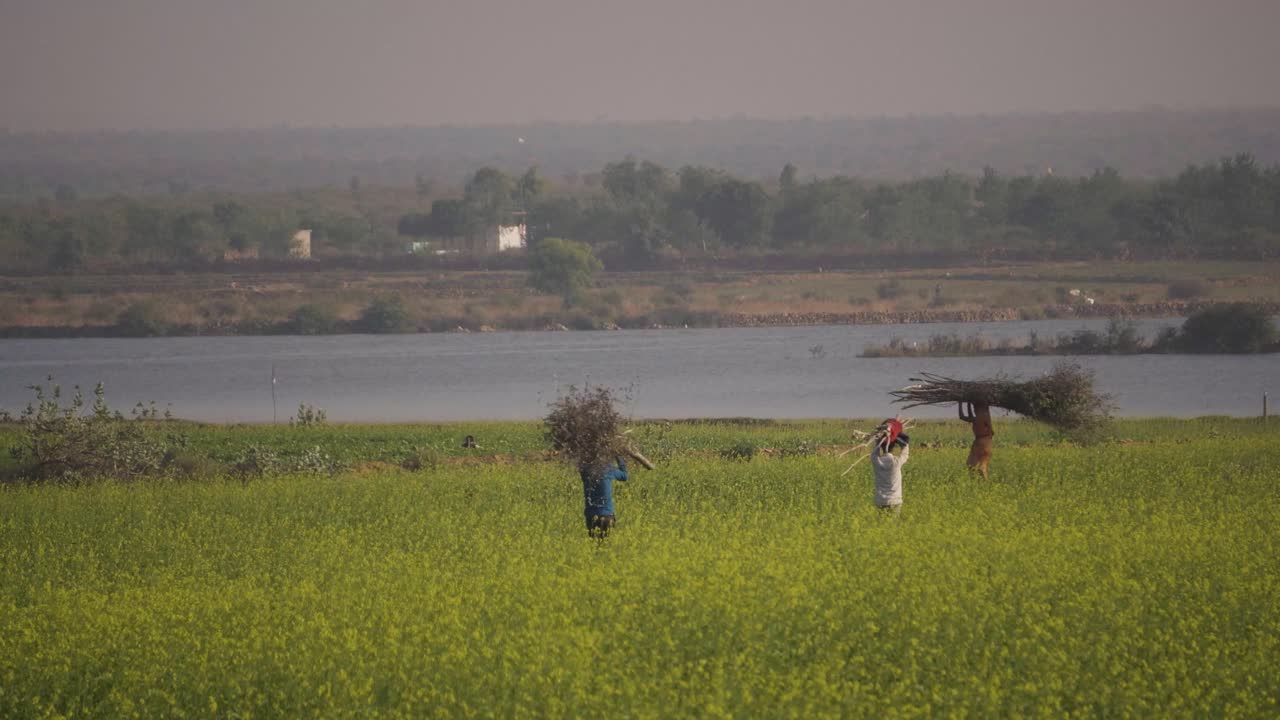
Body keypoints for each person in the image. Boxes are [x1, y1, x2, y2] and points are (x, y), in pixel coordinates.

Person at [581, 456, 628, 539]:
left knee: (594, 548)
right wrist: (618, 456)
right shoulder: (608, 469)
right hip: (606, 516)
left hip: (591, 517)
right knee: (607, 548)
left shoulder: (586, 471)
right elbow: (625, 476)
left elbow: (581, 462)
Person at [870, 420, 909, 513]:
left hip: (880, 501)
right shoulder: (896, 462)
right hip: (895, 501)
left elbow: (875, 449)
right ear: (894, 447)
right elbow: (905, 451)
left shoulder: (876, 461)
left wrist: (880, 438)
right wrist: (897, 436)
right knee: (894, 526)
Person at [958, 401, 994, 478]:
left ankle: (985, 484)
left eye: (975, 409)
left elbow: (962, 416)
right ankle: (977, 483)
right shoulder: (982, 417)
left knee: (975, 466)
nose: (975, 410)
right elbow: (970, 416)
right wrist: (968, 403)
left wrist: (961, 403)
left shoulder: (981, 417)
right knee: (971, 466)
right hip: (981, 442)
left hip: (981, 442)